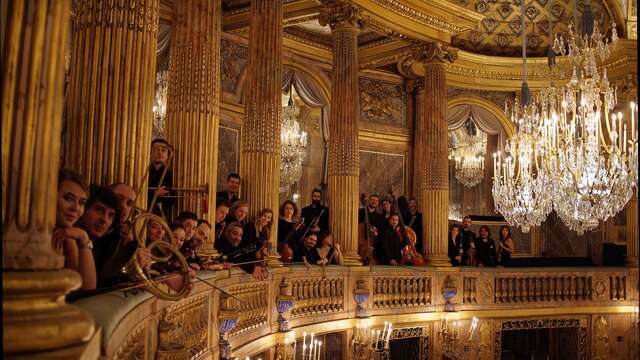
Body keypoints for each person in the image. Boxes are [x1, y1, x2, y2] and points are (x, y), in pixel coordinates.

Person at [77, 185, 151, 289]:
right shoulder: (89, 234)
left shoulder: (125, 237)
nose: (123, 206)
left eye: (129, 204)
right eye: (119, 199)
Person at [53, 169, 96, 290]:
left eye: (81, 203)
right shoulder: (36, 233)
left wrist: (84, 238)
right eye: (68, 198)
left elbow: (87, 289)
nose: (76, 208)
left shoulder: (68, 237)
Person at [147, 138, 175, 220]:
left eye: (163, 150)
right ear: (150, 152)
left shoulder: (168, 174)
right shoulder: (144, 170)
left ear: (167, 155)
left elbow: (172, 198)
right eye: (156, 149)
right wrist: (154, 194)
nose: (159, 152)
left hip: (161, 214)